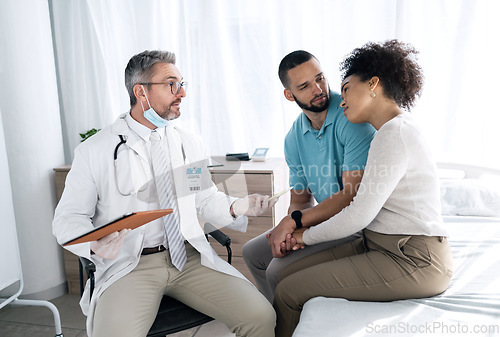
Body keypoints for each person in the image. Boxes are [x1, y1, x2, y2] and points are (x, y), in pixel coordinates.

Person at [52, 50, 277, 337]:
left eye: (183, 84)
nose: (182, 92)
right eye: (172, 84)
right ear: (141, 92)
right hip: (131, 265)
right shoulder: (95, 151)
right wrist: (95, 243)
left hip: (188, 257)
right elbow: (67, 219)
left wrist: (238, 207)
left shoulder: (188, 144)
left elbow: (203, 199)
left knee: (260, 316)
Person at [273, 40, 454, 337]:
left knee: (289, 291)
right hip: (379, 243)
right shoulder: (389, 132)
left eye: (345, 89)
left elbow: (357, 213)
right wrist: (298, 232)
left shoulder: (395, 134)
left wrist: (301, 235)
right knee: (284, 274)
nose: (339, 100)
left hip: (414, 258)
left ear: (373, 84)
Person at [242, 50, 376, 302]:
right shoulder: (293, 138)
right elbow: (301, 200)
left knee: (277, 270)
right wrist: (291, 233)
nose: (318, 89)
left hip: (356, 225)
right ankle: (274, 322)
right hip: (324, 221)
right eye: (304, 86)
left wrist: (294, 223)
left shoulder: (352, 117)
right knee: (252, 253)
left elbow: (351, 195)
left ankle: (287, 325)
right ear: (289, 94)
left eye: (320, 78)